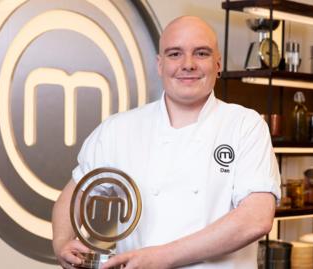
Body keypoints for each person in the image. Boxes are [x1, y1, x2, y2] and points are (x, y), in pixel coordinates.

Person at [52, 16, 281, 269]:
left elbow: (256, 218)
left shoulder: (245, 125)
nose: (188, 64)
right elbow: (76, 190)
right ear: (160, 65)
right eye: (175, 54)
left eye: (201, 53)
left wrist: (160, 258)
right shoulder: (119, 129)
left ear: (218, 64)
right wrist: (62, 241)